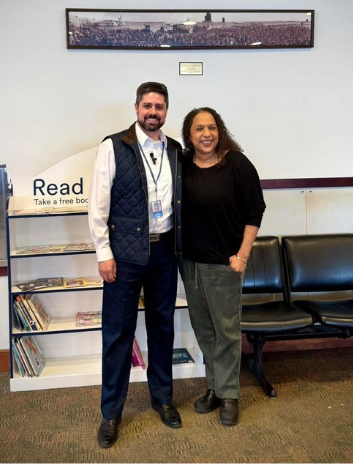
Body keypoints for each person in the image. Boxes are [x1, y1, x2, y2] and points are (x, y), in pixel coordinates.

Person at [89, 82, 184, 449]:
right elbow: (98, 204)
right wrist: (103, 253)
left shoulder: (174, 150)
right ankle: (111, 413)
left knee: (163, 330)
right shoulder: (113, 146)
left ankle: (163, 399)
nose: (153, 112)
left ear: (166, 111)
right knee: (117, 335)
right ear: (135, 108)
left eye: (159, 106)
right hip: (124, 257)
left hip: (164, 254)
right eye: (147, 105)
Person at [178, 107, 265, 426]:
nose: (206, 134)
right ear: (189, 134)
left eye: (211, 127)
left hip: (225, 265)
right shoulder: (183, 164)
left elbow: (255, 211)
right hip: (189, 264)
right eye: (199, 128)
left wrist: (242, 255)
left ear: (220, 130)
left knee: (226, 332)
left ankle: (230, 395)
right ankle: (214, 387)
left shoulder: (236, 164)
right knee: (205, 331)